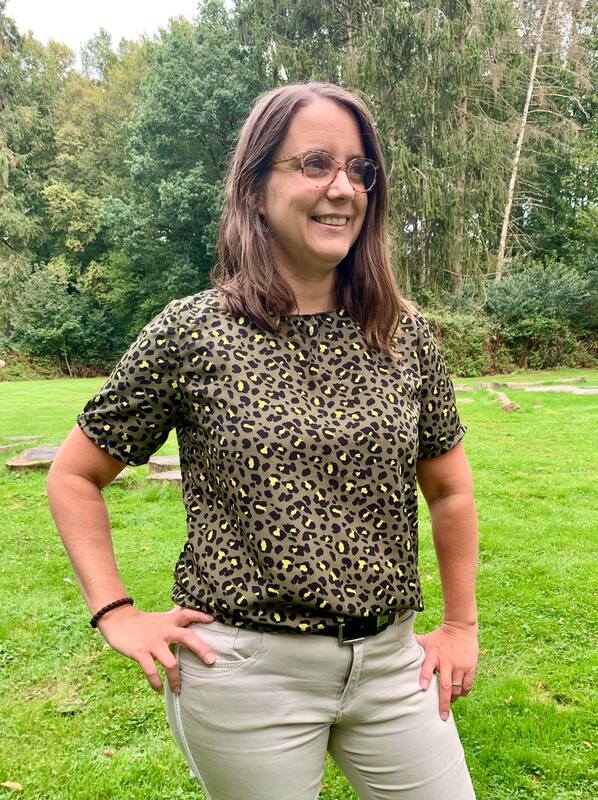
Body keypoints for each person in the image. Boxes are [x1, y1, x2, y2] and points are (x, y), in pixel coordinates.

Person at [47, 81, 479, 800]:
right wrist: (116, 612)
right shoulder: (192, 332)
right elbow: (73, 475)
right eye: (315, 163)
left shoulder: (402, 333)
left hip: (391, 665)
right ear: (254, 188)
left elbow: (450, 488)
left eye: (359, 169)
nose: (343, 188)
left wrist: (460, 624)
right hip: (246, 676)